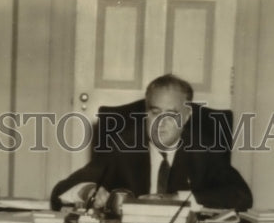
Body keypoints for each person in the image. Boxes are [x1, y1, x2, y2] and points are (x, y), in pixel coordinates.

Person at [50, 74, 252, 212]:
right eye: (155, 112)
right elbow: (61, 191)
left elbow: (241, 196)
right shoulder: (124, 146)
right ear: (146, 113)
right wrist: (87, 192)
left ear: (186, 116)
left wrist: (179, 199)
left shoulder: (203, 149)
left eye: (171, 114)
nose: (161, 123)